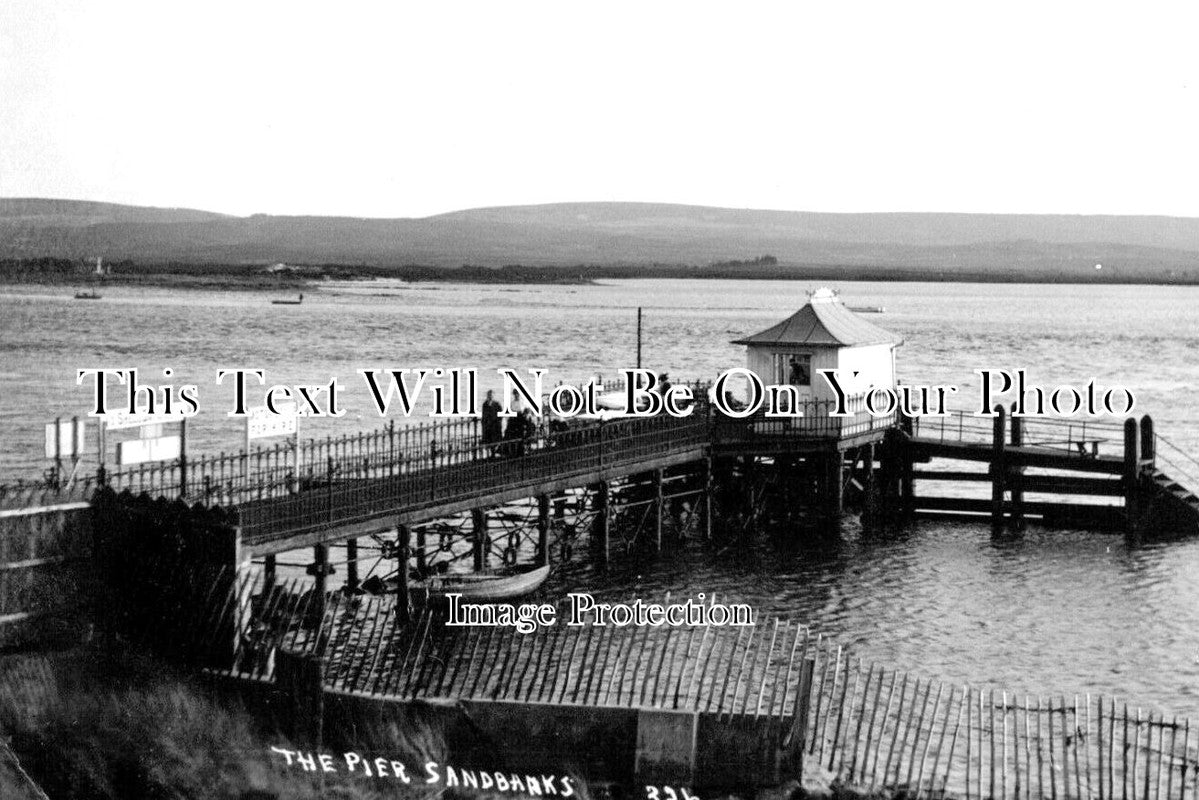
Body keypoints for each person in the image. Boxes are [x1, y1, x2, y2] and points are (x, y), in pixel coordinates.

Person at [481, 390, 502, 456]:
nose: (490, 397)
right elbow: (483, 414)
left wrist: (498, 421)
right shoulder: (485, 404)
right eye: (489, 395)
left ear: (493, 396)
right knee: (488, 439)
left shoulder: (497, 404)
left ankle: (494, 452)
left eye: (491, 395)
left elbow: (501, 414)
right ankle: (491, 453)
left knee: (495, 439)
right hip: (487, 425)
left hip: (495, 425)